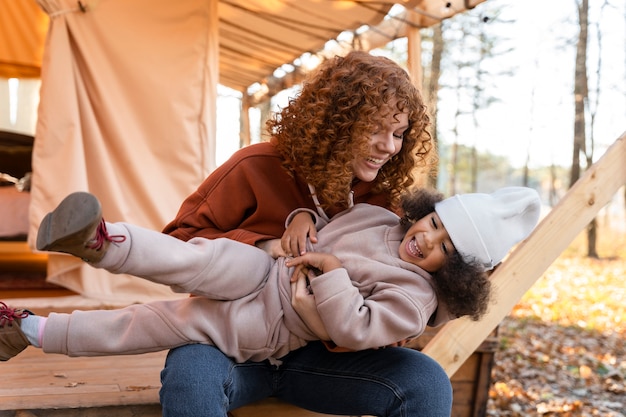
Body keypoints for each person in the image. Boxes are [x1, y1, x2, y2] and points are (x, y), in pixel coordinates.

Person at [31, 51, 443, 416]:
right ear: (338, 122)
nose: (389, 146)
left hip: (321, 360)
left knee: (426, 381)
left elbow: (389, 311)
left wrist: (328, 326)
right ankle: (96, 245)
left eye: (399, 133)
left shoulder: (382, 201)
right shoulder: (255, 166)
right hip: (229, 340)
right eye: (376, 128)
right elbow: (178, 243)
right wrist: (266, 247)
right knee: (191, 375)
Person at [1, 186, 540, 364]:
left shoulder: (415, 296)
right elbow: (328, 225)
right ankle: (100, 241)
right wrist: (300, 219)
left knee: (159, 322)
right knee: (198, 258)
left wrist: (331, 275)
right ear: (426, 209)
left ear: (456, 274)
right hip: (268, 267)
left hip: (271, 325)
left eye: (445, 248)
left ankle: (30, 330)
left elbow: (357, 329)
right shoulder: (380, 217)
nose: (427, 239)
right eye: (435, 222)